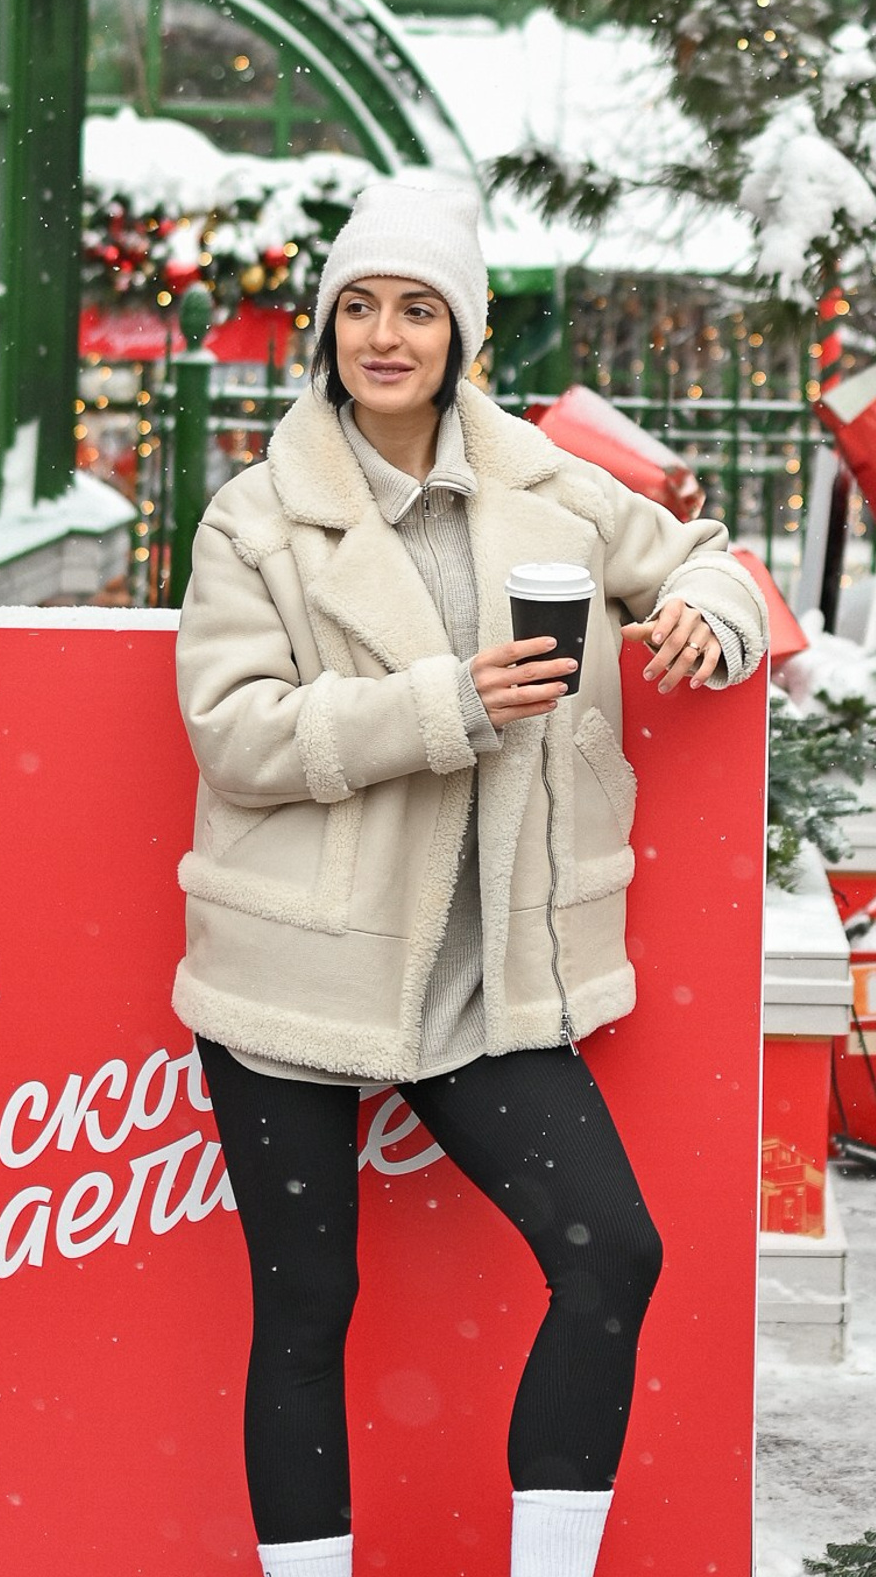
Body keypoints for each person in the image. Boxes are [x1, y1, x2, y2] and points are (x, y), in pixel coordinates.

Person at [172, 171, 764, 1577]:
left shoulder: (548, 486)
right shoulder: (255, 519)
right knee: (305, 1306)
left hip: (490, 970)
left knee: (611, 1254)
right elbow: (234, 733)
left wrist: (704, 613)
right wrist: (446, 706)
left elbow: (708, 560)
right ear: (328, 328)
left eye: (419, 310)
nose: (386, 336)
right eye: (360, 308)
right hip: (299, 965)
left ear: (464, 334)